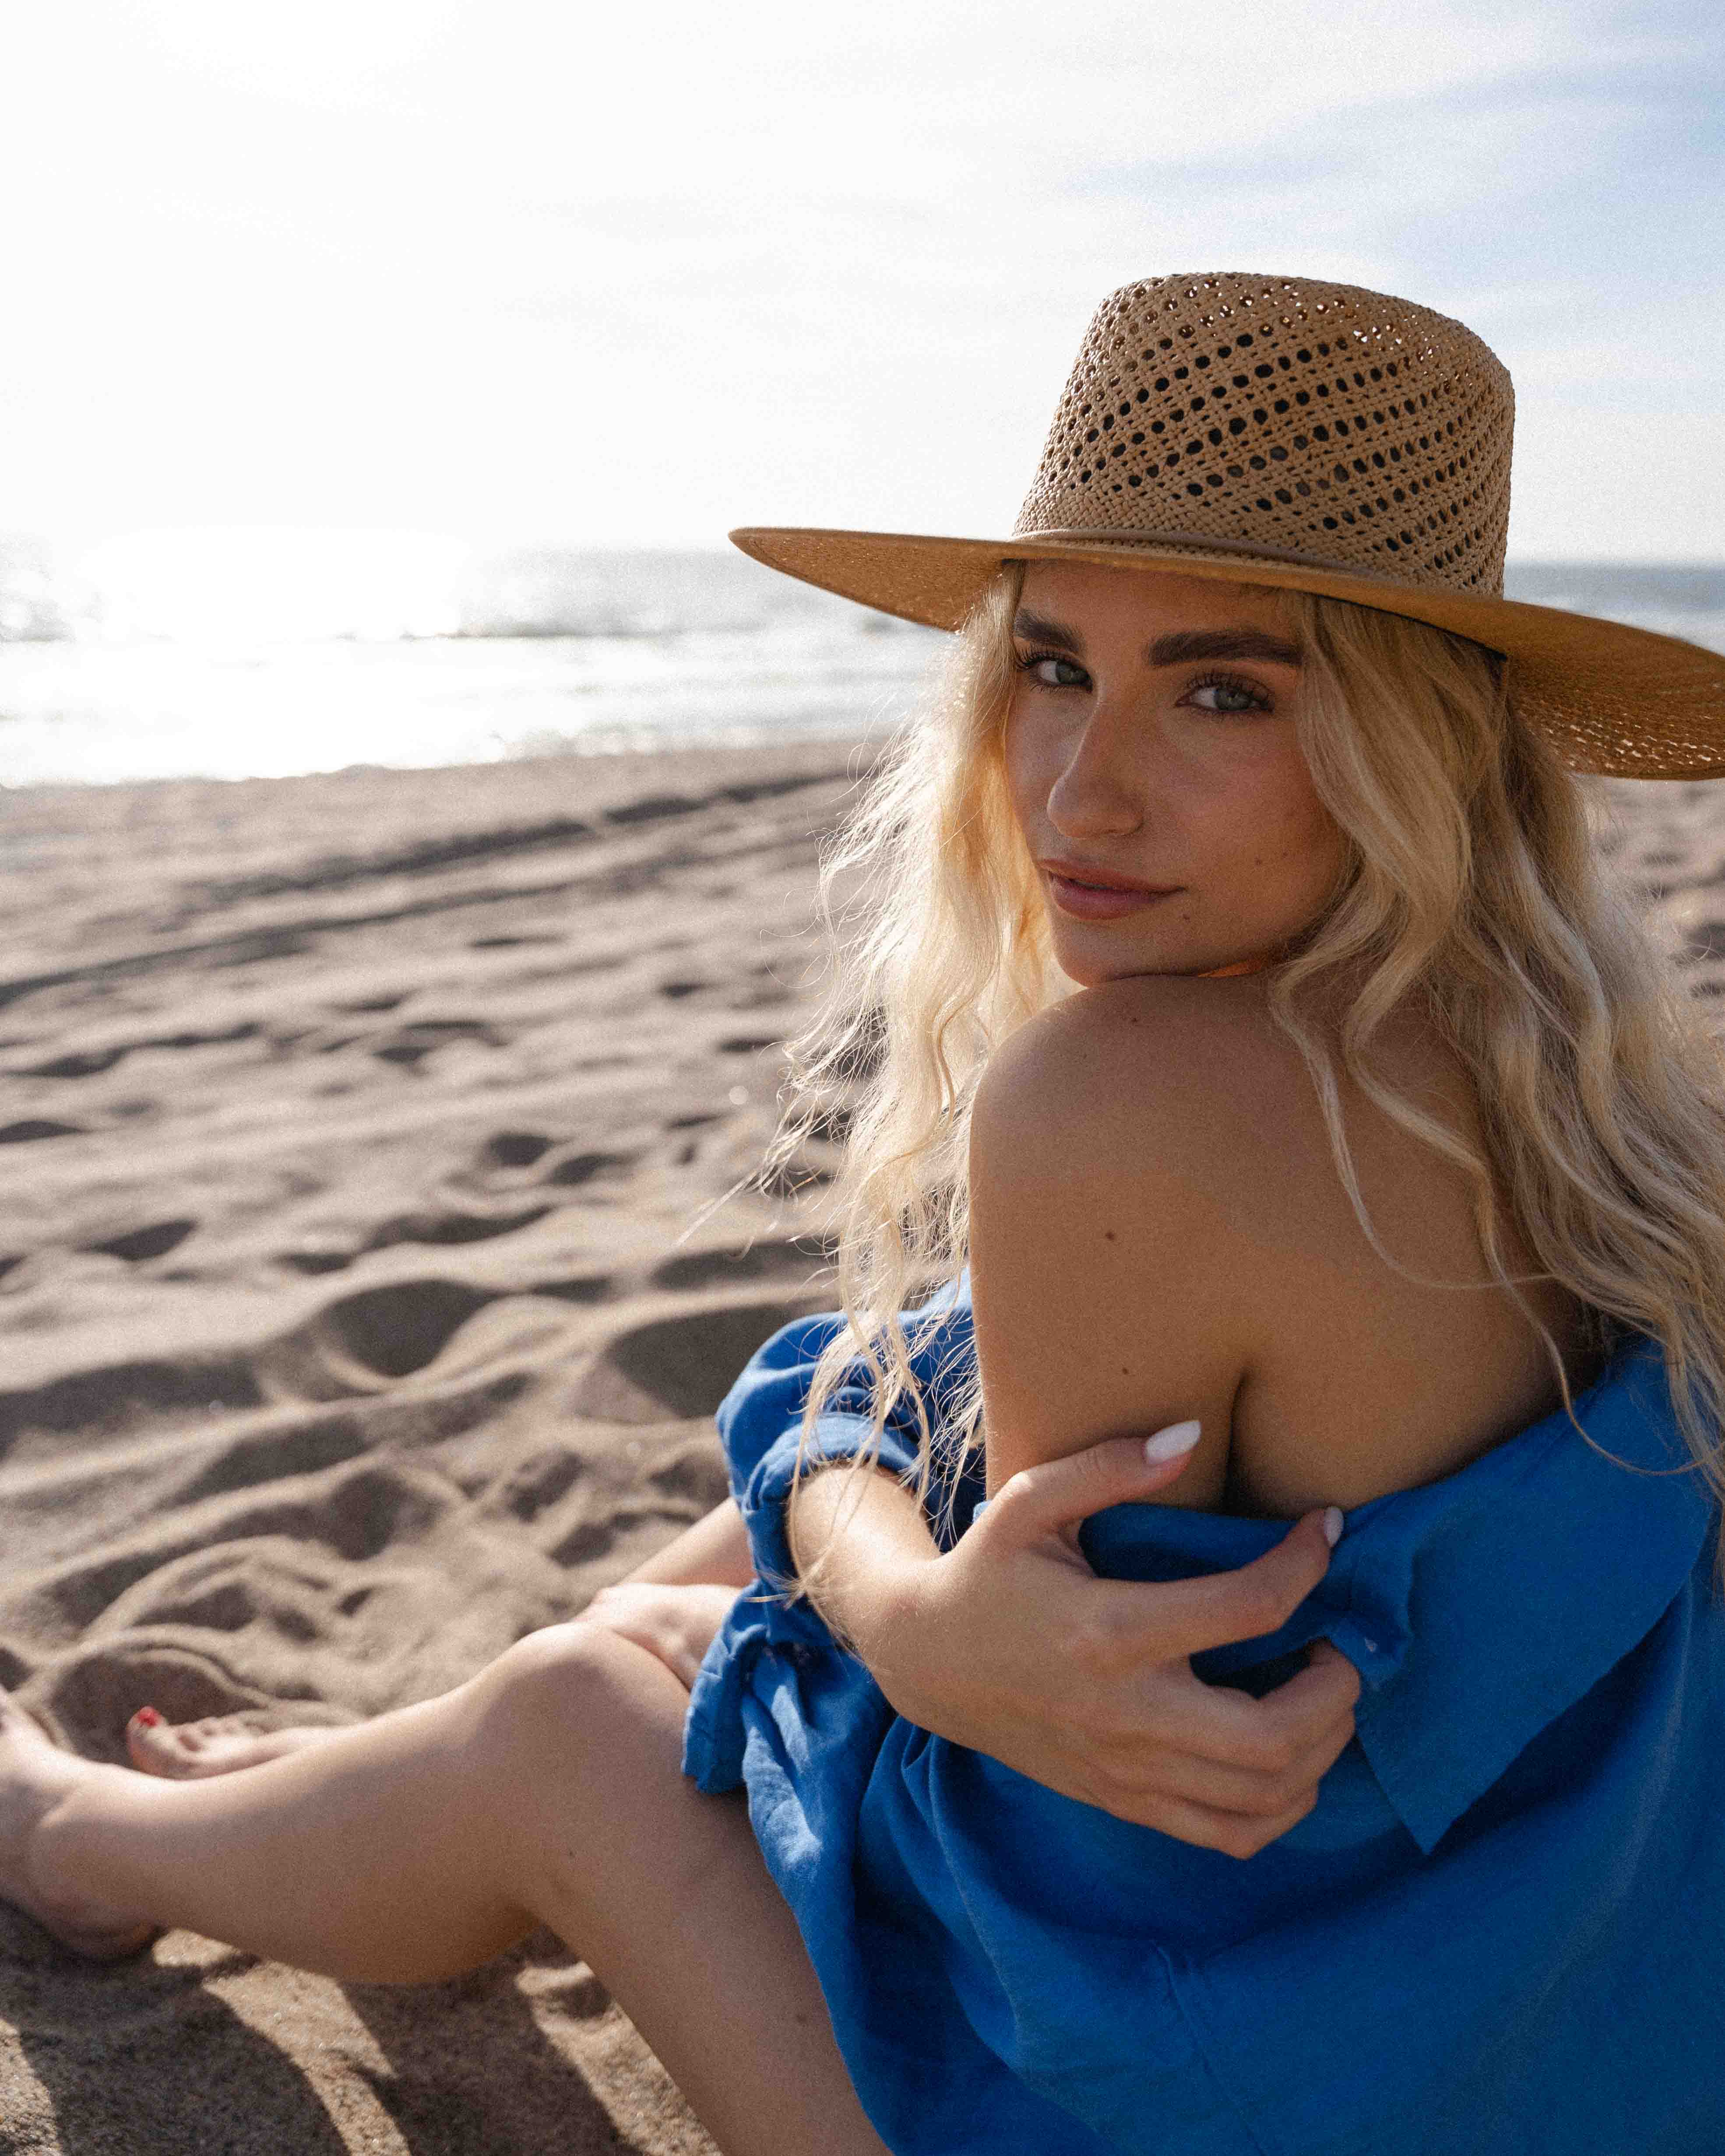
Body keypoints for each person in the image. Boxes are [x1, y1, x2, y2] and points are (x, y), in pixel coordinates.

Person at [4, 271, 1725, 2156]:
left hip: (1190, 2092)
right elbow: (973, 1448)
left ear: (1421, 744)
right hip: (1525, 2036)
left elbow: (1033, 1794)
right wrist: (872, 1581)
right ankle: (373, 1775)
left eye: (1222, 692)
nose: (1080, 788)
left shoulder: (1129, 1091)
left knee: (570, 1718)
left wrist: (877, 1598)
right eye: (1051, 668)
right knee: (765, 1529)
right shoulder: (1592, 1090)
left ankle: (83, 1841)